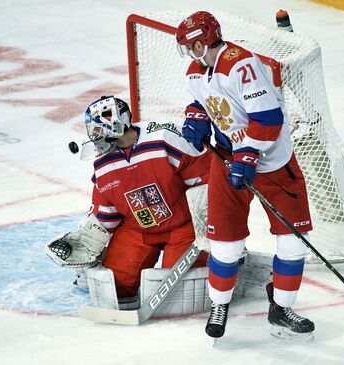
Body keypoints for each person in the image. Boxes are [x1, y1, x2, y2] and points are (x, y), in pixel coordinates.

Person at [176, 11, 315, 339]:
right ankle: (219, 305)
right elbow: (202, 102)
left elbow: (268, 118)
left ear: (207, 39)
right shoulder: (196, 72)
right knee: (225, 246)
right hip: (227, 161)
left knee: (293, 244)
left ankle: (281, 309)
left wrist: (248, 155)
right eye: (186, 48)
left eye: (193, 45)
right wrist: (196, 118)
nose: (190, 53)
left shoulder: (242, 65)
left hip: (273, 163)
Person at [45, 95, 209, 307]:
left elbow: (204, 180)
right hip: (137, 229)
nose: (93, 136)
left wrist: (211, 226)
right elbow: (106, 212)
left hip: (185, 225)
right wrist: (86, 240)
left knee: (175, 292)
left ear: (116, 123)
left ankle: (227, 261)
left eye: (97, 129)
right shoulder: (103, 163)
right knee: (113, 286)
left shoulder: (164, 136)